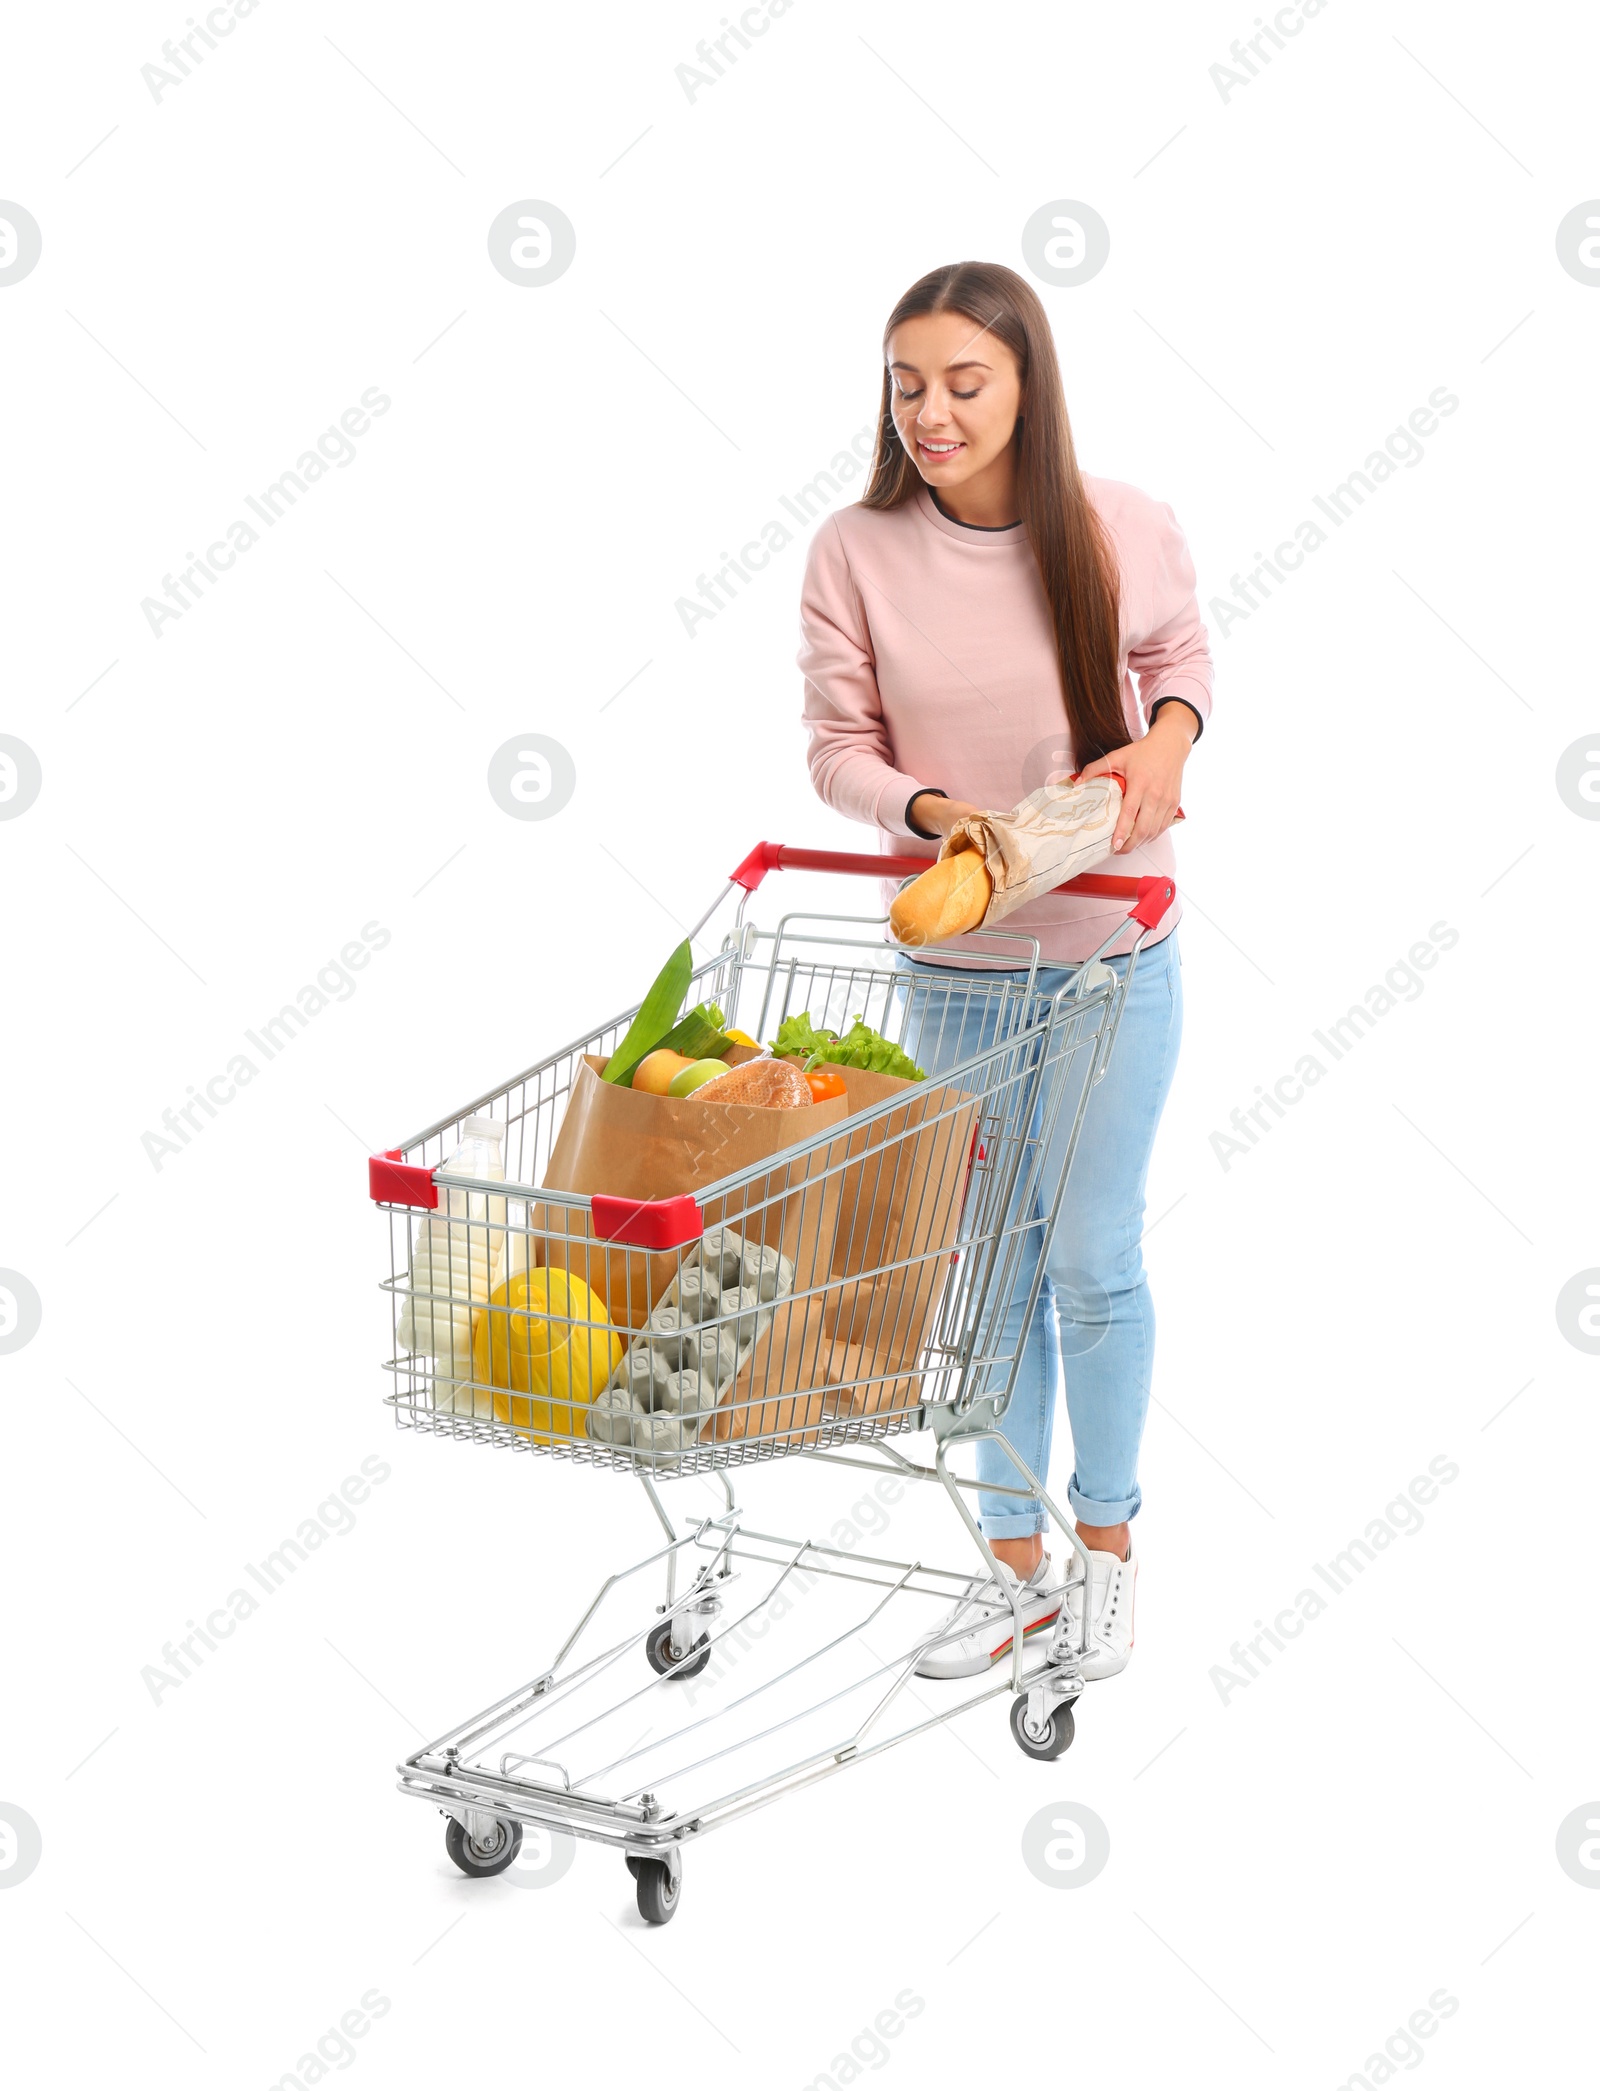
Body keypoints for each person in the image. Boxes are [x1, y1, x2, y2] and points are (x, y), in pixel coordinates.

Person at [797, 260, 1211, 1682]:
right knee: (989, 1270)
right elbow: (836, 747)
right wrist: (928, 817)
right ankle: (1010, 1572)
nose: (931, 412)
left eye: (964, 383)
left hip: (1109, 958)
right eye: (908, 385)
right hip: (961, 967)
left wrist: (1165, 743)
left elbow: (1181, 651)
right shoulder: (855, 550)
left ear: (1028, 386)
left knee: (1092, 1262)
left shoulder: (1121, 524)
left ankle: (1104, 1557)